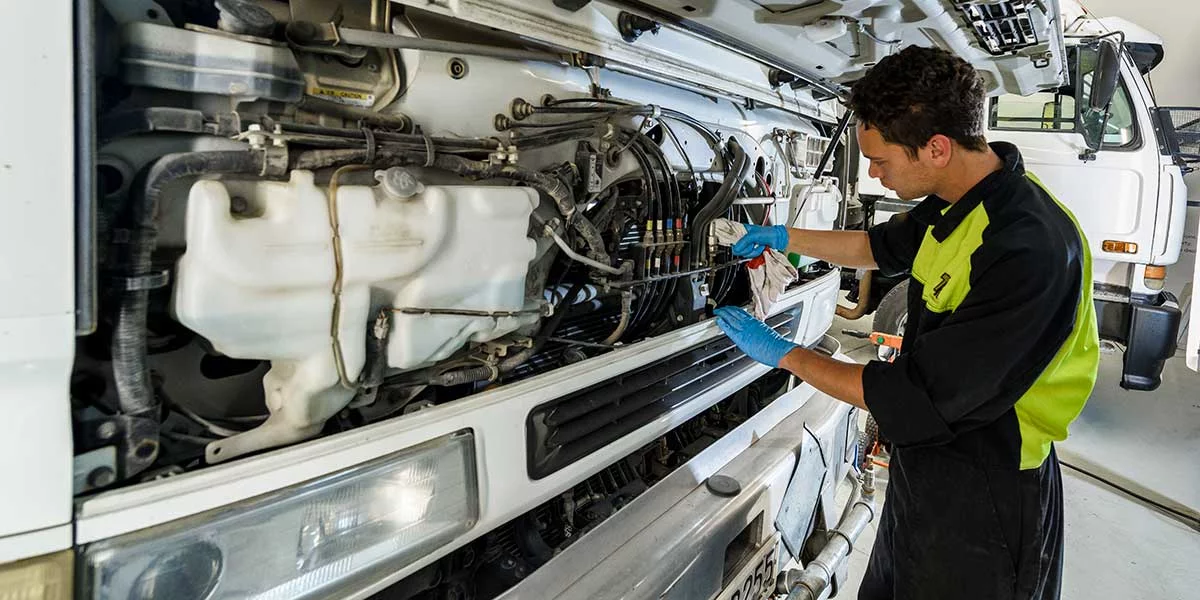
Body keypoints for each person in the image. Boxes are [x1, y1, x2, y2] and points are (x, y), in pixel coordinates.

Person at [716, 45, 1099, 600]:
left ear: (937, 148)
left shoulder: (1028, 246)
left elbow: (914, 395)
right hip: (928, 468)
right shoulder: (958, 198)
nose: (872, 173)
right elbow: (879, 246)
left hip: (989, 486)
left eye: (881, 160)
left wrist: (784, 354)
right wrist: (784, 237)